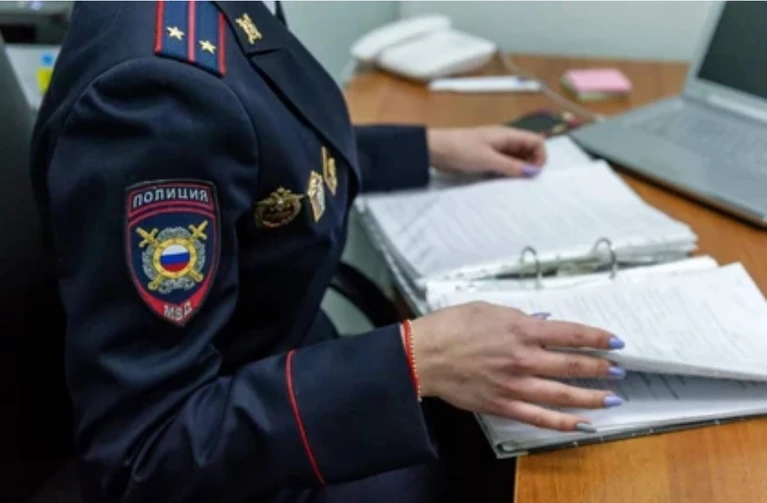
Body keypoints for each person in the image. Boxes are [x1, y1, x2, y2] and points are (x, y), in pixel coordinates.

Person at [30, 1, 625, 502]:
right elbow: (143, 457)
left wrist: (425, 149)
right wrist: (417, 359)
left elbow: (260, 141)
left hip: (281, 380)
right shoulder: (157, 94)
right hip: (251, 467)